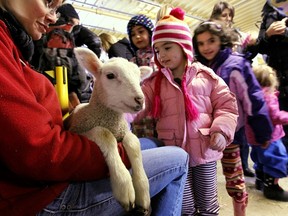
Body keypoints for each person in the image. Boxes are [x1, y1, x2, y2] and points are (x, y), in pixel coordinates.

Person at [0, 1, 190, 215]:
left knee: (151, 143)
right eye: (47, 3)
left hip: (44, 179)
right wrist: (119, 156)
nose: (54, 17)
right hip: (40, 197)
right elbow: (39, 151)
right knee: (179, 158)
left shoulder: (15, 48)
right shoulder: (6, 49)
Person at [127, 7, 239, 215]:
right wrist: (122, 115)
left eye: (168, 47)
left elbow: (227, 106)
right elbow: (138, 103)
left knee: (207, 204)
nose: (162, 55)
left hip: (205, 151)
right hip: (175, 154)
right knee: (183, 205)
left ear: (184, 46)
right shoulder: (155, 83)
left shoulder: (207, 77)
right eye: (158, 50)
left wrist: (221, 130)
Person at [193, 20, 273, 216]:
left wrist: (262, 133)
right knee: (204, 178)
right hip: (203, 136)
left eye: (211, 41)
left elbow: (253, 99)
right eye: (201, 43)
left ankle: (240, 211)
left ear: (222, 40)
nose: (206, 47)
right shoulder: (196, 68)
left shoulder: (236, 66)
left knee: (234, 176)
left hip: (231, 135)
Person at [209, 1, 256, 178]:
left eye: (230, 16)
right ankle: (213, 168)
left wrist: (248, 50)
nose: (228, 19)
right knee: (220, 130)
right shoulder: (209, 34)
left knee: (241, 131)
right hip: (218, 90)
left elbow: (244, 59)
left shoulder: (235, 34)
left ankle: (243, 165)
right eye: (224, 15)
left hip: (236, 89)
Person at [31, 3, 102, 108]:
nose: (75, 28)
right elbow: (95, 42)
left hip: (53, 93)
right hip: (68, 93)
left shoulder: (47, 38)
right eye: (74, 24)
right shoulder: (59, 40)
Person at [248, 64, 288, 201]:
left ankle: (260, 181)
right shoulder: (268, 96)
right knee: (276, 158)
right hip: (270, 136)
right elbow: (275, 116)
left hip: (254, 137)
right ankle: (272, 188)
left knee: (260, 158)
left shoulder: (251, 95)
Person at [254, 0, 288, 153]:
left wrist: (286, 31)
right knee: (278, 126)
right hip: (276, 82)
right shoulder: (268, 12)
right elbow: (260, 46)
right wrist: (268, 34)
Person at [127, 14, 157, 139]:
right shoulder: (132, 62)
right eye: (133, 34)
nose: (137, 36)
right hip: (140, 107)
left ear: (150, 33)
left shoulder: (159, 56)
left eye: (141, 31)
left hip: (158, 104)